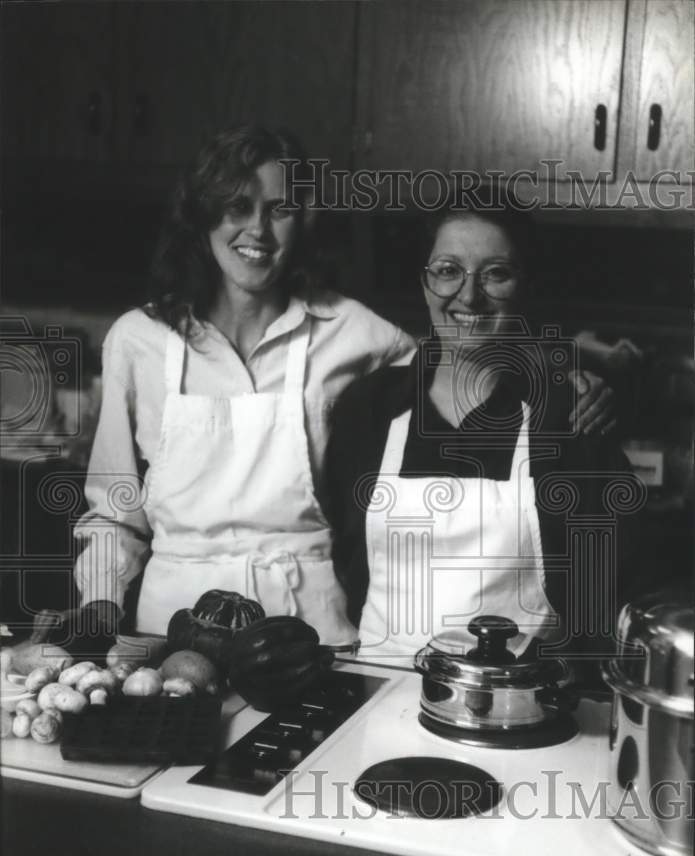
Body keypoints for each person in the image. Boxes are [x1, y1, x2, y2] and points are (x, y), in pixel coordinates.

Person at [26, 127, 615, 656]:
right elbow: (114, 513)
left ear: (305, 219)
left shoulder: (357, 333)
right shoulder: (138, 340)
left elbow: (461, 347)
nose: (256, 230)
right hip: (169, 633)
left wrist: (556, 377)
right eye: (236, 206)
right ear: (203, 216)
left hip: (310, 639)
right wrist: (101, 607)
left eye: (279, 208)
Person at [324, 195, 644, 665]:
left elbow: (611, 587)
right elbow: (346, 556)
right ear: (424, 281)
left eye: (496, 273)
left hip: (518, 706)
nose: (469, 296)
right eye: (448, 269)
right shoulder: (369, 409)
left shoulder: (568, 417)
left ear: (522, 286)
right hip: (378, 688)